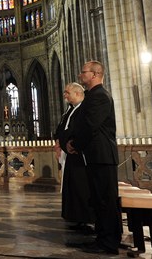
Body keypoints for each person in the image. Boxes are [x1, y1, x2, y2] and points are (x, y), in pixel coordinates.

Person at [67, 61, 121, 255]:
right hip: (95, 155)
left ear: (95, 74)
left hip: (102, 155)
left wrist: (75, 144)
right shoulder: (93, 96)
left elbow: (90, 125)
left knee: (106, 200)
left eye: (84, 72)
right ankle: (103, 237)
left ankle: (109, 242)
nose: (81, 75)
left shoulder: (99, 96)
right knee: (99, 199)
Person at [54, 83, 95, 231]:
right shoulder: (70, 110)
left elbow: (81, 130)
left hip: (79, 154)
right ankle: (75, 216)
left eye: (67, 93)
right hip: (70, 154)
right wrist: (59, 141)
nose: (65, 95)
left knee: (81, 187)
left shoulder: (83, 109)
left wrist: (73, 144)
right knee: (72, 186)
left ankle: (85, 218)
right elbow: (62, 128)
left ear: (77, 93)